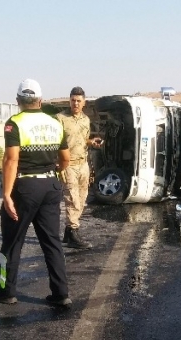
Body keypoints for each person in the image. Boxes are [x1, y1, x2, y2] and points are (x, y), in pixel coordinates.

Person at [0, 79, 72, 307]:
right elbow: (65, 159)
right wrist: (54, 171)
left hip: (25, 188)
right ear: (40, 101)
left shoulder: (14, 123)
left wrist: (7, 194)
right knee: (52, 242)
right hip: (50, 185)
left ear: (18, 101)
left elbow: (11, 159)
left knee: (12, 242)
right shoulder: (55, 123)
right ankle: (61, 293)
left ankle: (6, 292)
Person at [56, 86, 102, 249]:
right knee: (72, 199)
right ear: (69, 101)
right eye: (73, 100)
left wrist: (92, 141)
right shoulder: (60, 118)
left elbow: (83, 139)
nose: (75, 103)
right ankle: (74, 232)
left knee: (82, 199)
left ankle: (69, 232)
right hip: (68, 165)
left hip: (83, 163)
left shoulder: (85, 120)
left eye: (78, 101)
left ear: (84, 102)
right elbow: (56, 142)